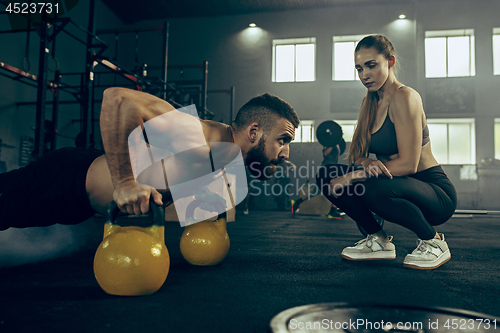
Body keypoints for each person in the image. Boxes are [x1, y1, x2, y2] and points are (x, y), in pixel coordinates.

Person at [0, 88, 299, 230]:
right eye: (282, 140)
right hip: (64, 179)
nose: (285, 152)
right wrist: (126, 183)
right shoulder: (197, 134)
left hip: (74, 199)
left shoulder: (223, 156)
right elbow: (118, 99)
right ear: (254, 131)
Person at [316, 35, 457, 270]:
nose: (364, 75)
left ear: (390, 61)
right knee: (327, 175)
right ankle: (378, 241)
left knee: (370, 185)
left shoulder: (405, 97)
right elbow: (357, 156)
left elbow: (408, 165)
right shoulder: (370, 103)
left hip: (434, 194)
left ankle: (433, 243)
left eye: (371, 65)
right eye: (359, 68)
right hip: (393, 185)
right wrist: (363, 164)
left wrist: (354, 175)